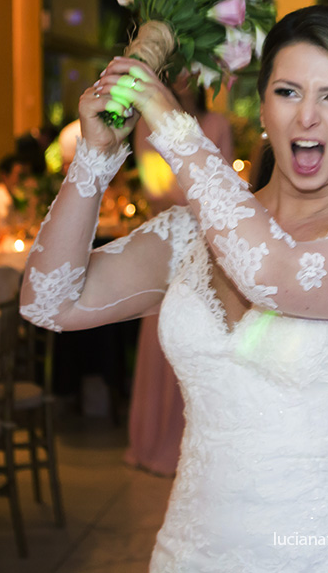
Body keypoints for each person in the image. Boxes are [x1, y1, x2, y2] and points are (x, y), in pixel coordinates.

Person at [20, 5, 328, 571]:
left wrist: (172, 126)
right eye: (288, 92)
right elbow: (49, 301)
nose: (308, 117)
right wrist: (96, 156)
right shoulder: (192, 232)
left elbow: (274, 277)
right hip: (196, 549)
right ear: (263, 106)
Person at [125, 80, 234, 477]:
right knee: (162, 338)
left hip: (207, 244)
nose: (187, 78)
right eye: (180, 70)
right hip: (168, 243)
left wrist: (197, 197)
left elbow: (223, 189)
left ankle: (200, 445)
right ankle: (155, 441)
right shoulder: (148, 127)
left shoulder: (217, 124)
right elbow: (155, 187)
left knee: (201, 339)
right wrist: (193, 194)